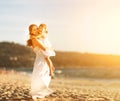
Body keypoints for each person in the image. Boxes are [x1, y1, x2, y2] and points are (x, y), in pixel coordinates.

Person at [27, 24, 55, 100]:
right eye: (34, 29)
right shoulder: (34, 39)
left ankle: (40, 93)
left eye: (37, 29)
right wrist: (50, 48)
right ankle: (38, 93)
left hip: (42, 60)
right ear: (31, 31)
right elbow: (44, 48)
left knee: (42, 76)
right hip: (40, 61)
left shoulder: (37, 38)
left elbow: (44, 52)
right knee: (39, 76)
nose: (36, 30)